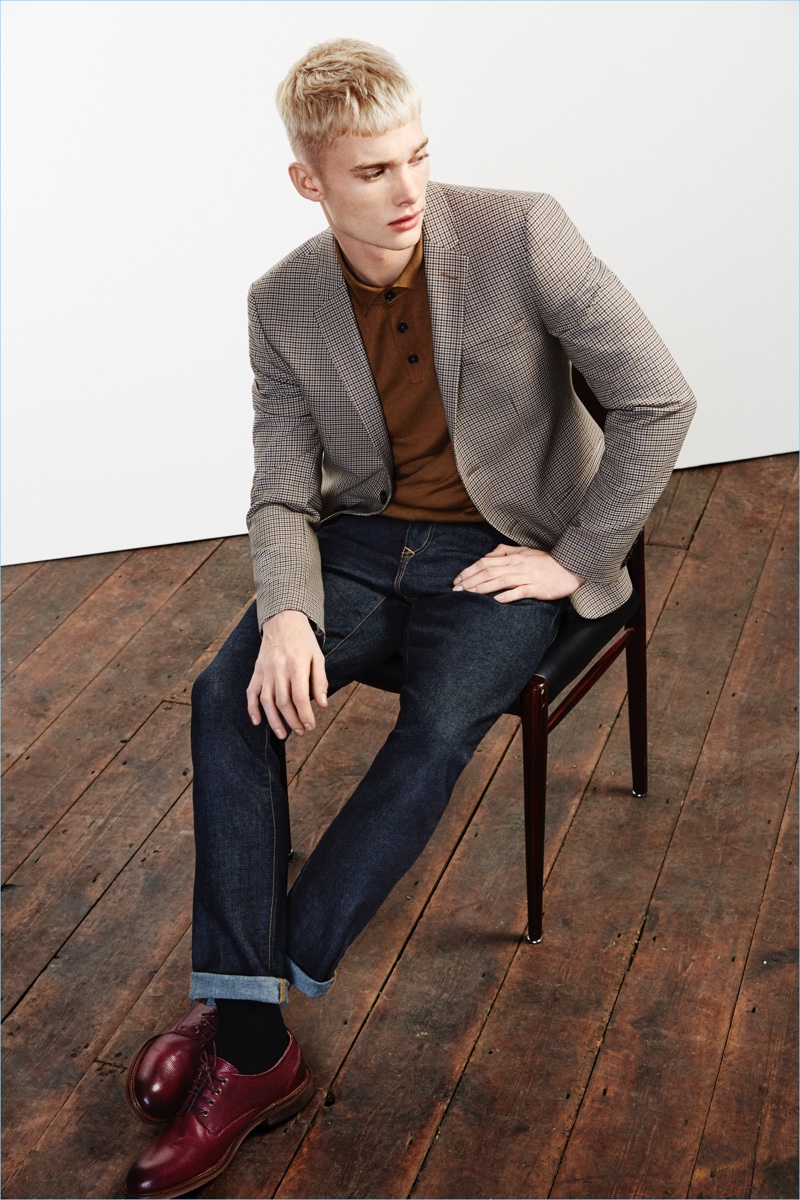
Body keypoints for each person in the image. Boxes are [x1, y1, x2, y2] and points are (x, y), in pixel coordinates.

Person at [122, 37, 696, 1199]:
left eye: (416, 157)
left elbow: (657, 399)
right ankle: (254, 1039)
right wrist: (288, 614)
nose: (405, 189)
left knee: (433, 731)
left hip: (500, 551)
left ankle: (243, 1016)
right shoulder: (282, 302)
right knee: (225, 693)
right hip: (363, 546)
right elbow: (281, 490)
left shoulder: (518, 232)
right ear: (308, 180)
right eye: (372, 170)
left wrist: (572, 560)